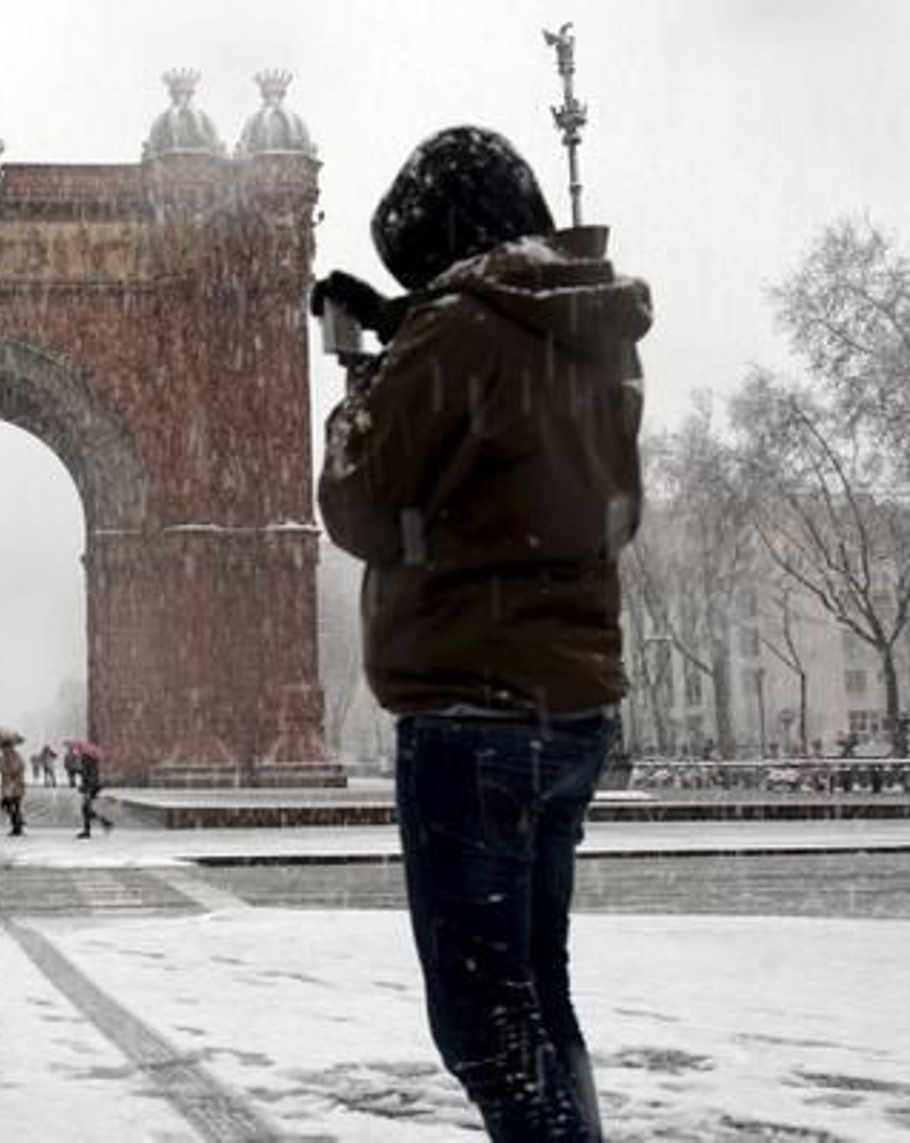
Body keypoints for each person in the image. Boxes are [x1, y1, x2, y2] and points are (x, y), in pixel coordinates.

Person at [313, 125, 650, 1142]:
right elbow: (525, 470)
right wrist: (406, 338)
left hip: (471, 709)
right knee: (537, 996)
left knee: (480, 1023)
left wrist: (357, 373)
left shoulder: (458, 329)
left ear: (444, 240)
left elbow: (362, 505)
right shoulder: (589, 327)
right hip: (567, 703)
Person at [75, 751, 112, 839]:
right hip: (90, 789)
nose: (81, 759)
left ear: (86, 759)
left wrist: (87, 790)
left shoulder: (91, 767)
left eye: (82, 758)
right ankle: (104, 823)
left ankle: (100, 825)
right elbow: (86, 777)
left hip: (91, 789)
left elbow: (92, 779)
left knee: (85, 809)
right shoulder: (88, 766)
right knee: (86, 810)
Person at [0, 741, 27, 836]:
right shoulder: (6, 757)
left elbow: (16, 769)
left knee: (12, 806)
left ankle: (17, 827)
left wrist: (8, 770)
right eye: (2, 748)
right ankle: (17, 824)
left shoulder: (14, 756)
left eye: (4, 748)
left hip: (15, 786)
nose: (2, 750)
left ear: (9, 747)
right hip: (9, 786)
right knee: (10, 806)